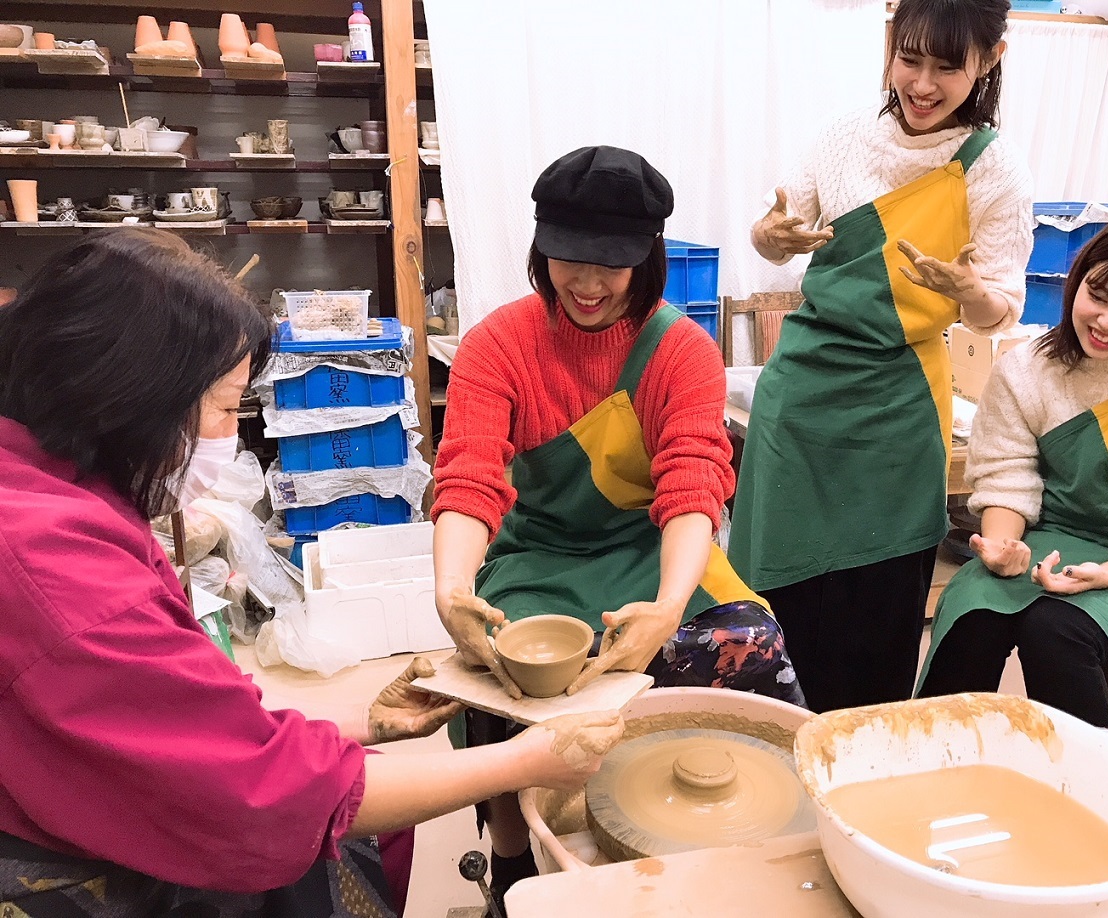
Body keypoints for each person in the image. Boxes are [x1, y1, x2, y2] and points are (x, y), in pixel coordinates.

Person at [0, 229, 624, 917]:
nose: (227, 436)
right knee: (345, 831)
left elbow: (163, 717)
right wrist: (528, 761)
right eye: (223, 406)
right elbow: (253, 785)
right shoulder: (54, 565)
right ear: (131, 396)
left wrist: (362, 723)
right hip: (59, 862)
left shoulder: (49, 487)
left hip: (627, 559)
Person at [431, 145, 805, 899]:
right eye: (570, 258)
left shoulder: (681, 351)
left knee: (746, 644)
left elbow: (693, 487)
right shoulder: (498, 344)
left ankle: (740, 850)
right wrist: (450, 590)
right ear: (542, 249)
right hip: (538, 551)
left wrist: (669, 608)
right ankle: (511, 863)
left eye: (613, 263)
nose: (590, 283)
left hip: (653, 548)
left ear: (649, 257)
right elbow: (469, 479)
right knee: (513, 674)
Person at [728, 0, 1034, 713]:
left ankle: (864, 759)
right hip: (802, 395)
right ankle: (767, 739)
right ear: (891, 44)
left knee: (880, 606)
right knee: (780, 594)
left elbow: (1001, 309)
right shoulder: (842, 138)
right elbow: (777, 230)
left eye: (946, 67)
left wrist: (971, 294)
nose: (922, 85)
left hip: (900, 404)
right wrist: (769, 238)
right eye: (910, 59)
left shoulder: (994, 171)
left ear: (991, 58)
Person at [917, 208, 1108, 725]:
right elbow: (1006, 478)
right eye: (1097, 296)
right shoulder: (1028, 367)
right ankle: (934, 757)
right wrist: (1000, 545)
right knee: (973, 615)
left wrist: (1106, 574)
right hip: (1048, 535)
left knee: (1055, 631)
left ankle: (1090, 782)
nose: (1106, 322)